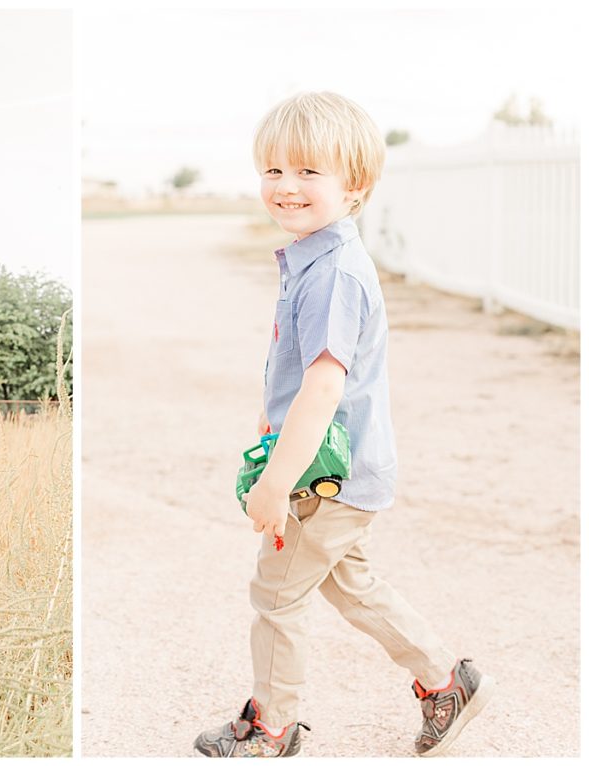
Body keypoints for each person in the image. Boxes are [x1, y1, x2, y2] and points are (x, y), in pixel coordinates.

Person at [193, 92, 493, 758]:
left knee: (276, 595)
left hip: (324, 476)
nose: (286, 186)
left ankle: (272, 725)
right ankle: (446, 679)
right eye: (273, 170)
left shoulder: (332, 272)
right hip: (336, 468)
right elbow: (300, 376)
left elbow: (325, 387)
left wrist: (275, 482)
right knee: (349, 583)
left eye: (308, 172)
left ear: (354, 187)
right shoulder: (313, 258)